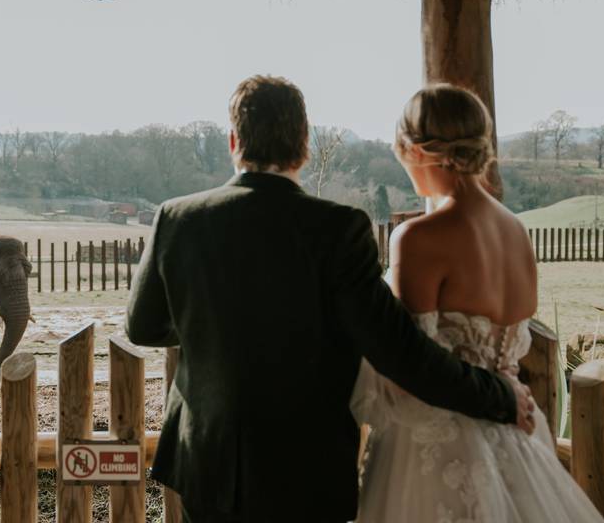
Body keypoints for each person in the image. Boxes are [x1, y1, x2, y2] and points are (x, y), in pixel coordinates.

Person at [126, 76, 535, 523]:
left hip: (207, 458)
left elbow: (143, 326)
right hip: (306, 467)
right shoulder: (338, 230)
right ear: (304, 144)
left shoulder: (179, 218)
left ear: (233, 142)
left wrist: (209, 321)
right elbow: (400, 353)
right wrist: (498, 395)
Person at [351, 84, 604, 522]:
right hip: (518, 433)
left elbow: (409, 371)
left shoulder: (417, 238)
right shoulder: (517, 233)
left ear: (417, 150)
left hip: (435, 448)